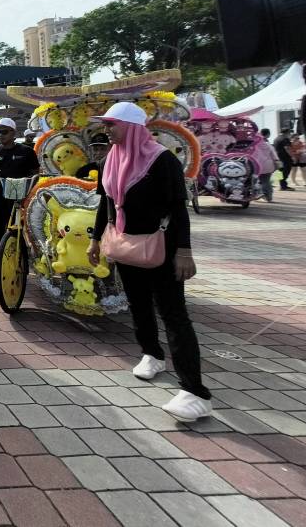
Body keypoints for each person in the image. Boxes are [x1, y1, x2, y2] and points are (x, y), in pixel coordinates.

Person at [87, 101, 211, 422]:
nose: (106, 131)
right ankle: (152, 354)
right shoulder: (112, 160)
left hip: (164, 247)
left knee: (173, 314)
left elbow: (179, 208)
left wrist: (184, 251)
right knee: (138, 303)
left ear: (131, 127)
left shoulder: (162, 160)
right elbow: (107, 204)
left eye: (112, 125)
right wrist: (95, 239)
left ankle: (195, 391)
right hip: (127, 245)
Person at [0, 118, 40, 284]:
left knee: (18, 235)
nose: (0, 135)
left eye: (4, 131)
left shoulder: (27, 152)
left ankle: (19, 268)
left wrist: (29, 185)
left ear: (14, 133)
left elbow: (36, 172)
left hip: (19, 201)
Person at [252, 131, 279, 203]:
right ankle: (269, 197)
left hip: (256, 165)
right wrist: (276, 163)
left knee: (254, 181)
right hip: (268, 165)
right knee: (266, 181)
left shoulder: (253, 145)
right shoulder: (268, 145)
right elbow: (274, 156)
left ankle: (256, 194)